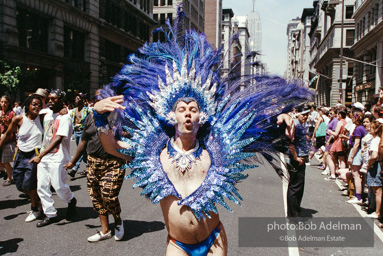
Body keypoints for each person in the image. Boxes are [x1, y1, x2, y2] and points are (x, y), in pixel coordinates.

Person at [91, 14, 312, 254]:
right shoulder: (153, 154)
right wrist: (100, 117)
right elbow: (113, 148)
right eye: (181, 109)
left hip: (213, 239)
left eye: (193, 109)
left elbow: (255, 128)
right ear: (171, 115)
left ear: (201, 116)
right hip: (178, 244)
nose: (187, 114)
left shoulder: (217, 148)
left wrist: (278, 119)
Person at [64, 90, 129, 242]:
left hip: (114, 162)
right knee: (96, 197)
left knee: (109, 196)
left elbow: (131, 136)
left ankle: (118, 221)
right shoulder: (91, 117)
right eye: (97, 98)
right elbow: (83, 141)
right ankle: (105, 230)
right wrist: (73, 161)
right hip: (93, 161)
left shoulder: (120, 117)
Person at [29, 89, 77, 227]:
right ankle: (50, 214)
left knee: (58, 186)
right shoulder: (46, 114)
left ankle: (71, 200)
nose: (50, 101)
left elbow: (58, 139)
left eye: (54, 99)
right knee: (42, 186)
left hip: (58, 157)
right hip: (44, 157)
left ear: (61, 101)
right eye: (49, 98)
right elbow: (30, 111)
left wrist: (40, 155)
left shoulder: (65, 118)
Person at [0, 95, 44, 222]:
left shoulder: (42, 118)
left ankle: (35, 209)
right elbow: (8, 133)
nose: (37, 107)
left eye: (39, 105)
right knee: (19, 185)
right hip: (20, 154)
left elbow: (55, 113)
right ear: (27, 106)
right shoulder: (19, 119)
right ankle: (36, 199)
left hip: (34, 155)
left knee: (30, 185)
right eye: (34, 104)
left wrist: (63, 110)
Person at [285, 107, 310, 218]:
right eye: (303, 114)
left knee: (297, 187)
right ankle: (294, 215)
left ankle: (293, 212)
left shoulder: (299, 124)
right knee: (295, 187)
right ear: (297, 114)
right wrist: (296, 158)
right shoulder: (294, 124)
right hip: (297, 159)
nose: (305, 116)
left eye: (307, 114)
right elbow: (291, 142)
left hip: (300, 157)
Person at [68, 92, 92, 178]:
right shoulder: (73, 110)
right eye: (75, 98)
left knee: (80, 150)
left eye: (78, 98)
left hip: (83, 132)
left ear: (82, 100)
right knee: (84, 152)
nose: (76, 100)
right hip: (76, 132)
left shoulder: (87, 110)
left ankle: (74, 168)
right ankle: (89, 168)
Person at [0, 95, 16, 186]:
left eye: (5, 102)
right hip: (0, 137)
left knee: (5, 160)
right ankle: (6, 171)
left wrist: (5, 121)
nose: (3, 104)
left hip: (7, 139)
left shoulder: (12, 113)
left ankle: (10, 178)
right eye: (2, 102)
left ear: (9, 103)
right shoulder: (0, 112)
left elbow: (13, 127)